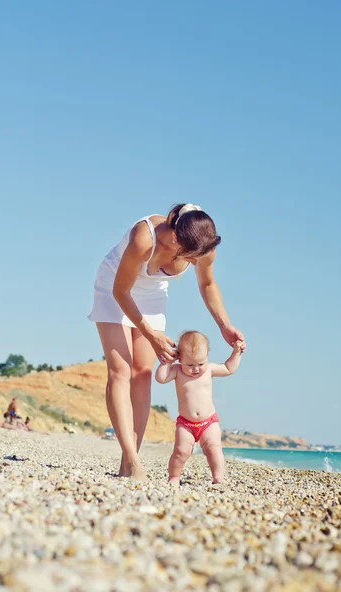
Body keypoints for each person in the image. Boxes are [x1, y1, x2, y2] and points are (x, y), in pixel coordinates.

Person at [89, 203, 245, 480]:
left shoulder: (202, 244)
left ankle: (128, 461)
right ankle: (134, 461)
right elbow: (120, 291)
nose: (197, 262)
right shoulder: (144, 237)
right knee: (120, 370)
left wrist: (224, 325)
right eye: (192, 257)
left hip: (152, 295)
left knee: (143, 373)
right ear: (175, 238)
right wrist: (151, 334)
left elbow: (207, 284)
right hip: (116, 286)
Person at [155, 331, 244, 486]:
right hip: (186, 423)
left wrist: (236, 353)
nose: (196, 369)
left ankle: (218, 477)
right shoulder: (176, 370)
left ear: (207, 356)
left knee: (214, 449)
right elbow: (161, 378)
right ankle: (174, 477)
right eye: (190, 365)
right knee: (181, 451)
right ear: (180, 358)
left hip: (209, 422)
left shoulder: (209, 369)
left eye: (200, 363)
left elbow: (229, 368)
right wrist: (167, 362)